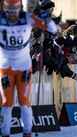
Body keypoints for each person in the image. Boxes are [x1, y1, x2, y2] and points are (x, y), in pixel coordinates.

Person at [0, 0, 59, 136]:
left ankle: (27, 133)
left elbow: (54, 30)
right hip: (5, 68)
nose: (12, 15)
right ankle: (4, 134)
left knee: (23, 101)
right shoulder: (1, 19)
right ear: (4, 8)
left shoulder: (26, 17)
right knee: (7, 103)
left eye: (15, 11)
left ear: (19, 8)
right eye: (9, 11)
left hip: (23, 68)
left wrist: (48, 19)